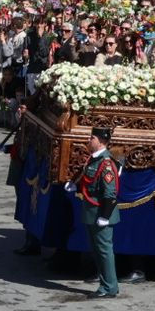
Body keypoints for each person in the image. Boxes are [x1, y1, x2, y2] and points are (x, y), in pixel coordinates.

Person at [67, 126, 120, 299]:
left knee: (104, 251)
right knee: (97, 251)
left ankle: (110, 287)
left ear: (101, 141)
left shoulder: (106, 164)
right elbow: (89, 177)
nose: (89, 140)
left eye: (92, 138)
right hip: (91, 212)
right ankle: (105, 284)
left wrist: (104, 216)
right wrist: (76, 184)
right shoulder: (94, 159)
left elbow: (110, 193)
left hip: (100, 213)